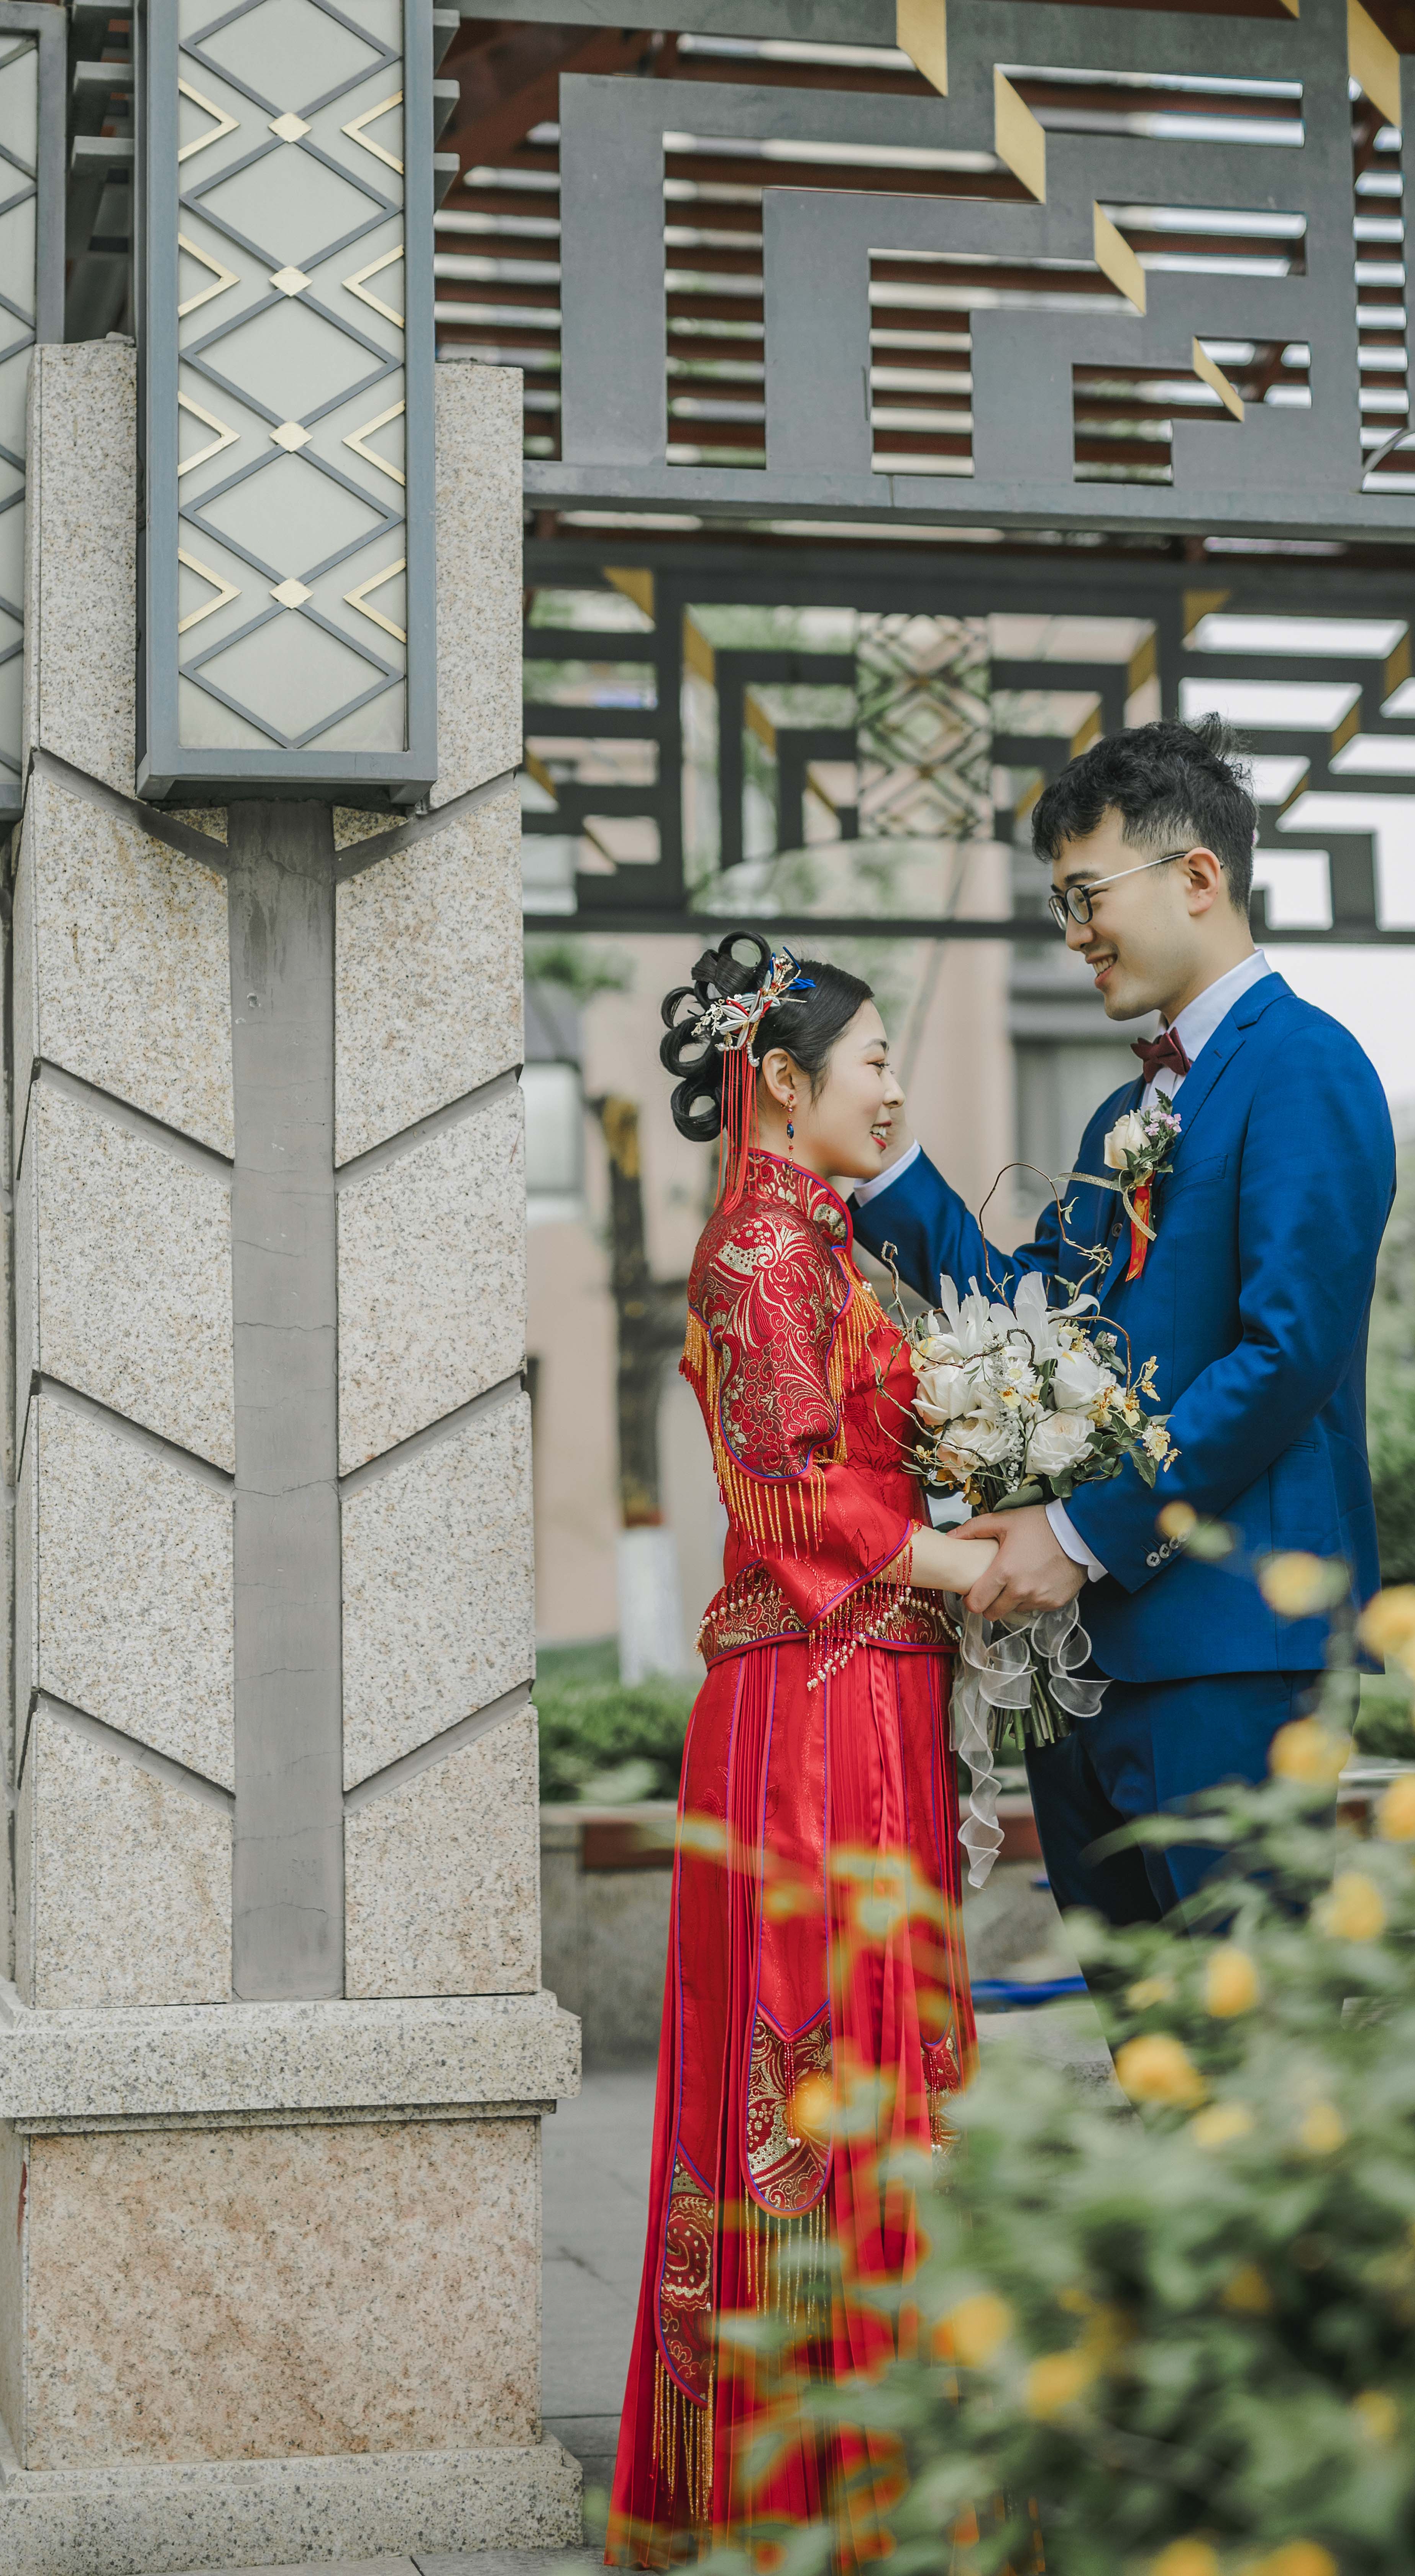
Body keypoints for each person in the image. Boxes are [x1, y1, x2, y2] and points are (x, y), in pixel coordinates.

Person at [851, 715, 1396, 1926]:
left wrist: (1080, 1531)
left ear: (1197, 876)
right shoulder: (1122, 1113)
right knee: (1141, 2021)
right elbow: (1032, 1318)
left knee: (1239, 2022)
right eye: (1062, 903)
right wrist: (875, 1160)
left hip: (1237, 1652)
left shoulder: (1305, 1066)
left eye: (1086, 895)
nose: (1074, 932)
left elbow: (1287, 1354)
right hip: (1091, 1665)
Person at [605, 935, 997, 2568]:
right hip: (808, 1707)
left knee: (873, 2040)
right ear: (781, 1081)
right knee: (813, 2041)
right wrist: (955, 1556)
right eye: (874, 1061)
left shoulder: (821, 1242)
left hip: (861, 1687)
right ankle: (808, 2483)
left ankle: (862, 2459)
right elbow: (790, 1488)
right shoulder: (759, 1251)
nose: (893, 1088)